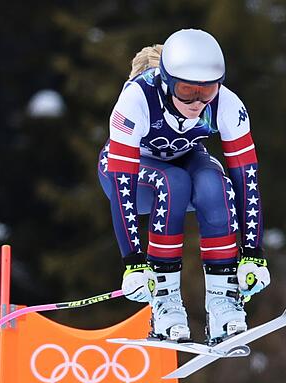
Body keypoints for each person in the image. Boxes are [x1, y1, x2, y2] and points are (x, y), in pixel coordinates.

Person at [97, 29, 270, 344]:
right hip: (132, 176)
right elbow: (123, 184)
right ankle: (165, 303)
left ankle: (223, 302)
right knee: (173, 182)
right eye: (186, 91)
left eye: (207, 91)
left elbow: (247, 179)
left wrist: (253, 254)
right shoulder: (136, 100)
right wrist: (133, 263)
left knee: (214, 184)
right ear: (166, 82)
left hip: (185, 160)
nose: (197, 102)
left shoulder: (226, 103)